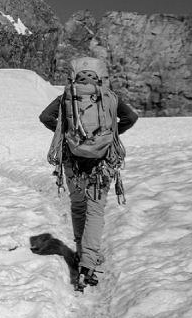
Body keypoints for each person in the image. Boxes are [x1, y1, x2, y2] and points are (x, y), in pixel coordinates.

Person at [39, 57, 138, 290]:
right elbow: (131, 117)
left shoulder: (67, 96)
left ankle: (81, 252)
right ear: (100, 76)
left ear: (75, 76)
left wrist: (65, 132)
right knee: (95, 211)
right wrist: (111, 133)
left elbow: (45, 117)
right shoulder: (110, 97)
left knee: (78, 206)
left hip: (72, 161)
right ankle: (88, 264)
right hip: (101, 163)